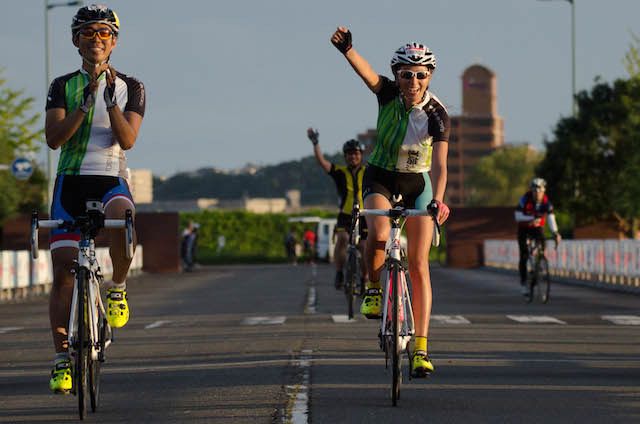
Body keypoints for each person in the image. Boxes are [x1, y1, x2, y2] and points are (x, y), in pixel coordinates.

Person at [331, 27, 450, 377]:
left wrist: (438, 201)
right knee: (378, 232)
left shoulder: (437, 114)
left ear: (428, 77)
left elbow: (441, 164)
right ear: (396, 75)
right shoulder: (386, 94)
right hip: (380, 176)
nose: (413, 81)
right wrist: (348, 50)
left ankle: (421, 349)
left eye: (420, 75)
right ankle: (372, 286)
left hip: (417, 182)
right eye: (405, 75)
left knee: (419, 265)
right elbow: (365, 72)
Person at [45, 4, 145, 393]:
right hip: (70, 182)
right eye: (88, 33)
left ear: (114, 41)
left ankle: (117, 287)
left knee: (125, 218)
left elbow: (129, 140)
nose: (97, 39)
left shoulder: (131, 86)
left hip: (109, 179)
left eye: (104, 33)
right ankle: (60, 360)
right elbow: (54, 140)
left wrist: (107, 102)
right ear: (76, 41)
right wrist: (83, 104)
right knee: (63, 274)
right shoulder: (61, 85)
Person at [306, 128, 368, 289]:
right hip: (345, 215)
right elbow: (322, 162)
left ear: (361, 155)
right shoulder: (340, 172)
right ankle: (339, 272)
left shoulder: (368, 171)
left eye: (356, 153)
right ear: (345, 156)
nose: (353, 156)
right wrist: (315, 143)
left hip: (365, 215)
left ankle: (366, 279)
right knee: (342, 239)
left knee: (364, 247)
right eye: (349, 154)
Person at [515, 178, 562, 295]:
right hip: (524, 228)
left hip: (537, 228)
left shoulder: (547, 203)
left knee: (543, 241)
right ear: (531, 191)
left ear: (544, 191)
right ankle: (524, 283)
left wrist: (555, 232)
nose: (537, 193)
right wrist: (531, 219)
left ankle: (539, 263)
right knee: (524, 255)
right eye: (535, 191)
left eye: (540, 190)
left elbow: (551, 218)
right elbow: (518, 216)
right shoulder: (524, 200)